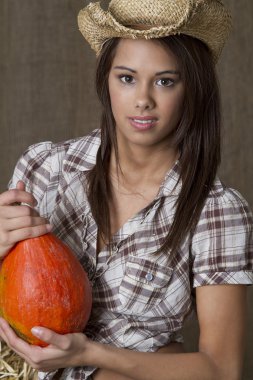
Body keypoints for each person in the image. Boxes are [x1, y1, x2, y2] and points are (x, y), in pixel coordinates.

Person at [0, 0, 252, 379]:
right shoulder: (46, 166)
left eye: (165, 81)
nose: (142, 99)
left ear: (192, 89)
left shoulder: (217, 212)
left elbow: (222, 369)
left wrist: (90, 354)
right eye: (127, 77)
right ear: (106, 80)